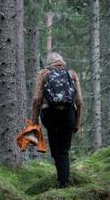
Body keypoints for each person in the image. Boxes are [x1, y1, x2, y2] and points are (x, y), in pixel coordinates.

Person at [31, 52, 83, 188]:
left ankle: (61, 180)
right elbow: (79, 102)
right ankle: (63, 181)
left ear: (49, 63)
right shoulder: (72, 74)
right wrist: (77, 123)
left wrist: (34, 122)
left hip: (50, 115)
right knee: (63, 151)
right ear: (62, 61)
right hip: (69, 115)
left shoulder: (43, 73)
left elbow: (37, 100)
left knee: (55, 147)